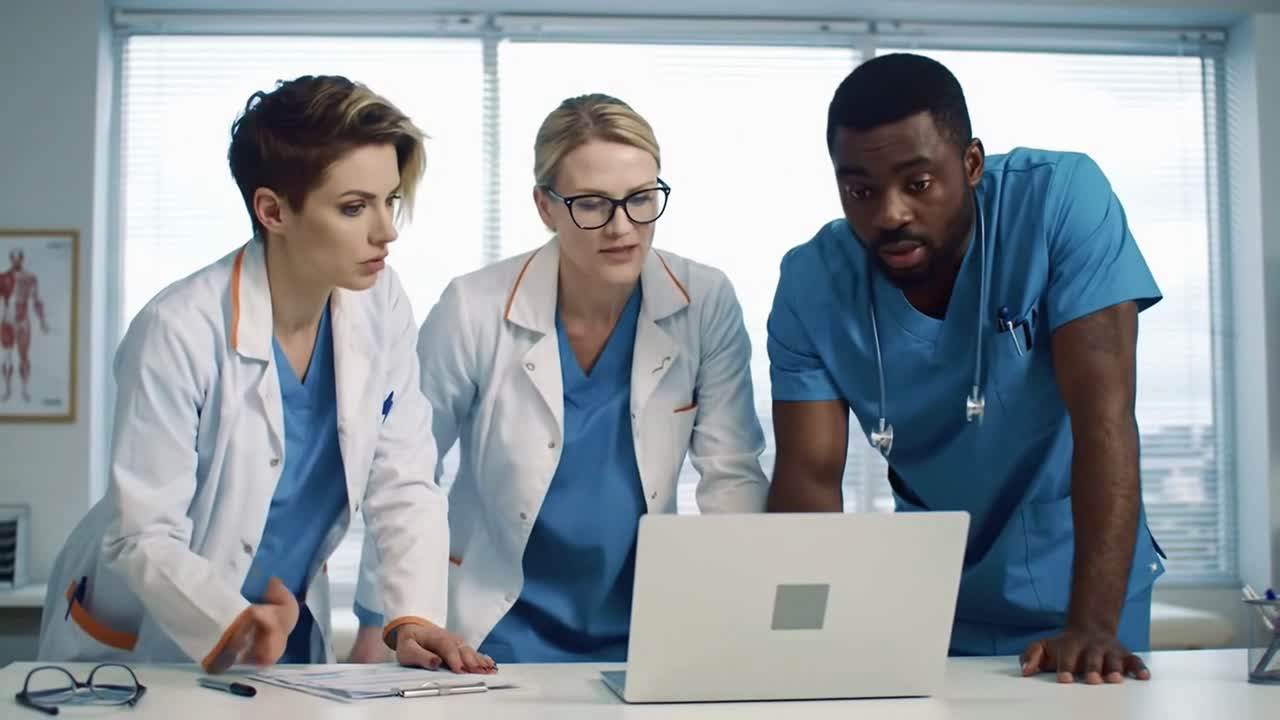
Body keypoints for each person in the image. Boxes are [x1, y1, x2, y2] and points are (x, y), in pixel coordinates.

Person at [37, 75, 494, 675]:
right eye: (354, 207)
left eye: (390, 201)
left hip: (283, 626)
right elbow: (141, 534)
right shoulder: (178, 329)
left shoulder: (378, 302)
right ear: (273, 210)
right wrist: (228, 619)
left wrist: (411, 620)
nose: (387, 231)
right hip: (153, 635)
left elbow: (405, 478)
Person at [765, 54, 1166, 684]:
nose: (889, 214)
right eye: (860, 190)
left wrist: (1093, 626)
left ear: (971, 164)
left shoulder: (1059, 200)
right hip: (930, 598)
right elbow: (808, 482)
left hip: (1086, 591)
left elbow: (1105, 421)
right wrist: (794, 645)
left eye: (917, 183)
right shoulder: (811, 282)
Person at [346, 93, 769, 664]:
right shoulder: (474, 306)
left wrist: (745, 620)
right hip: (493, 631)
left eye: (642, 199)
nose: (622, 228)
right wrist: (385, 620)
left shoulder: (705, 300)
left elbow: (731, 476)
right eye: (592, 204)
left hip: (643, 628)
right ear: (545, 207)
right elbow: (402, 468)